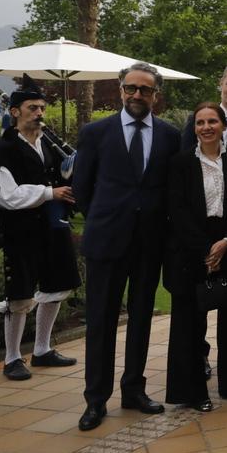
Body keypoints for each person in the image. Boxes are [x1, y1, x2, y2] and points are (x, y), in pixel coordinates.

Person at [73, 63, 181, 430]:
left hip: (149, 244)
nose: (137, 95)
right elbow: (83, 190)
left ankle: (133, 389)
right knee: (101, 323)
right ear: (120, 89)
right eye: (131, 88)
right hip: (107, 242)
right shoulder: (95, 133)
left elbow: (170, 189)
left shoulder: (169, 136)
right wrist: (108, 219)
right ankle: (95, 399)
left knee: (140, 321)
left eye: (145, 90)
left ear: (156, 95)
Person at [163, 103, 227, 410]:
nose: (206, 127)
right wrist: (206, 250)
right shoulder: (179, 164)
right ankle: (193, 393)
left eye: (212, 121)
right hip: (191, 251)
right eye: (201, 122)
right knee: (189, 326)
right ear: (194, 128)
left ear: (223, 126)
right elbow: (176, 212)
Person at [0, 76, 80, 381]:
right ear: (16, 111)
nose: (39, 113)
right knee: (19, 294)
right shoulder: (4, 148)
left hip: (53, 227)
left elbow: (58, 176)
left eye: (42, 108)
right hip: (21, 230)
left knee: (58, 285)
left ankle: (43, 349)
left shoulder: (47, 142)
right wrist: (50, 193)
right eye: (32, 108)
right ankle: (12, 358)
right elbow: (8, 196)